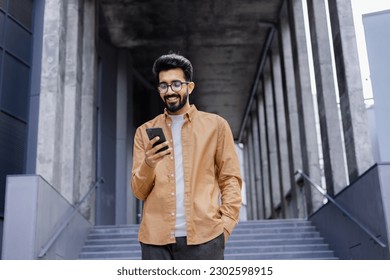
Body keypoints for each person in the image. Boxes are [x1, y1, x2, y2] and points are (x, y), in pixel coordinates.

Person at [131, 52, 242, 260]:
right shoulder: (144, 132)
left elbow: (230, 179)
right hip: (156, 242)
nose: (169, 91)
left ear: (189, 87)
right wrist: (149, 163)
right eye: (163, 85)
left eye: (175, 84)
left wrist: (226, 225)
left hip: (205, 237)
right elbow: (139, 191)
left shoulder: (216, 126)